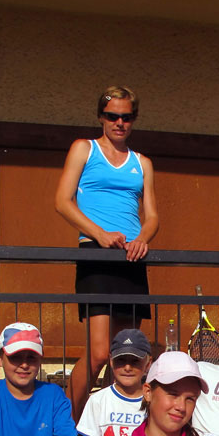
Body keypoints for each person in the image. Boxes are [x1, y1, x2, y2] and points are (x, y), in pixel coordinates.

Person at [55, 86, 159, 419]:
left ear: (134, 120)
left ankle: (110, 424)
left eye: (126, 117)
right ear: (101, 116)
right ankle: (66, 425)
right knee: (99, 352)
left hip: (131, 258)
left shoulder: (142, 162)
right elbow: (62, 201)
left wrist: (142, 239)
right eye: (113, 116)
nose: (119, 123)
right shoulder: (84, 149)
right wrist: (99, 234)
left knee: (126, 353)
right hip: (96, 255)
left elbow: (152, 216)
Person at [76, 328, 151, 436]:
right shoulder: (98, 400)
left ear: (148, 364)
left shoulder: (154, 401)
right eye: (121, 360)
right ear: (111, 361)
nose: (127, 367)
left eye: (135, 361)